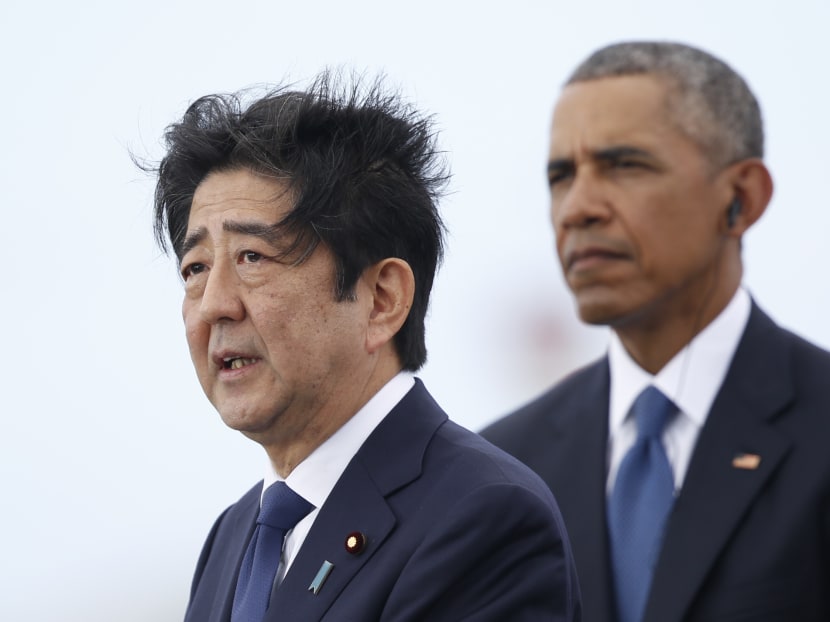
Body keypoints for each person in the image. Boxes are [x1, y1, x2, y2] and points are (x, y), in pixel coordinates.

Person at [146, 73, 581, 622]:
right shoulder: (232, 537)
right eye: (195, 268)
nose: (213, 305)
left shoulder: (484, 514)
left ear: (381, 299)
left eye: (252, 257)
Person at [482, 41, 830, 622]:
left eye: (625, 165)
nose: (578, 207)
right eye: (561, 176)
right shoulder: (503, 468)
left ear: (741, 199)